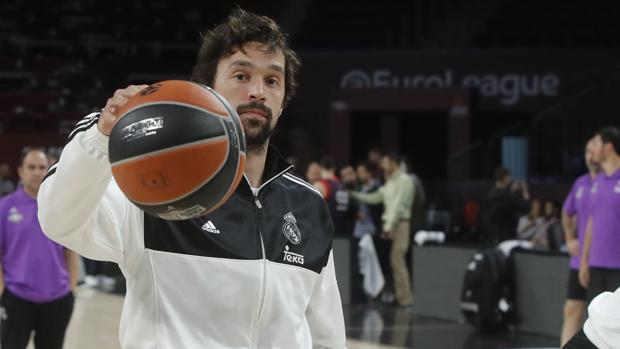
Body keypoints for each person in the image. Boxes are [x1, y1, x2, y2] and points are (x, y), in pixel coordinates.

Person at [37, 9, 346, 349]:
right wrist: (100, 136)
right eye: (241, 75)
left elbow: (325, 332)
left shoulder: (308, 204)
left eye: (272, 81)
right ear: (206, 90)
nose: (258, 91)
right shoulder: (156, 191)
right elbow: (58, 221)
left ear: (283, 102)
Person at [0, 147, 78, 349]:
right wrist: (3, 292)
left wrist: (71, 290)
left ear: (49, 169)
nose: (36, 172)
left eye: (42, 167)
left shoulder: (59, 206)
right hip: (17, 298)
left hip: (58, 299)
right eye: (31, 167)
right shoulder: (5, 207)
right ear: (20, 171)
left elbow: (70, 251)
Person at [351, 152, 415, 306]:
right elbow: (375, 197)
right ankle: (399, 296)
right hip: (392, 225)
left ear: (394, 163)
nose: (382, 166)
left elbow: (398, 207)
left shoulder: (404, 181)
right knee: (393, 262)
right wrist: (354, 194)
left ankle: (406, 299)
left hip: (400, 224)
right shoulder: (390, 182)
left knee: (398, 261)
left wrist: (388, 226)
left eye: (385, 163)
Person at [560, 137, 600, 347]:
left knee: (601, 318)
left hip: (604, 260)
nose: (589, 156)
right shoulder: (581, 183)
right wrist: (569, 238)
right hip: (579, 261)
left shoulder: (612, 181)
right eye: (586, 151)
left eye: (593, 150)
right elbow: (566, 213)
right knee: (572, 309)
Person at [579, 127, 620, 306]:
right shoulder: (598, 181)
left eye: (596, 143)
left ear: (608, 148)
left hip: (618, 266)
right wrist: (584, 260)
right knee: (594, 324)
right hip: (596, 265)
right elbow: (591, 222)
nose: (592, 149)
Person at [481, 166, 531, 246]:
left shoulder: (489, 196)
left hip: (492, 238)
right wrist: (525, 191)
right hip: (508, 238)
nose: (510, 180)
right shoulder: (509, 196)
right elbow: (527, 208)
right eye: (509, 177)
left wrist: (511, 192)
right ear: (505, 178)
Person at [314, 157, 353, 236]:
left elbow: (312, 210)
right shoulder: (343, 186)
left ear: (320, 168)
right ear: (333, 169)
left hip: (325, 233)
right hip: (342, 233)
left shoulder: (320, 185)